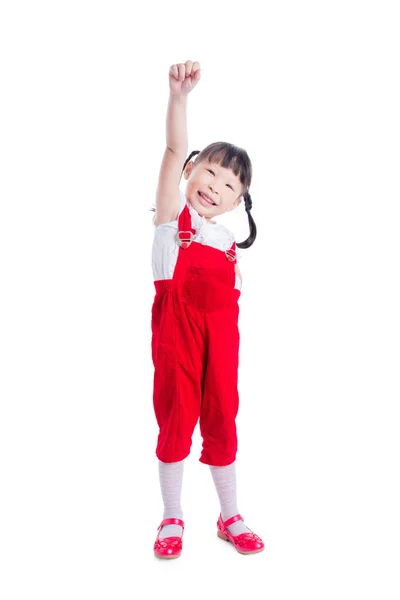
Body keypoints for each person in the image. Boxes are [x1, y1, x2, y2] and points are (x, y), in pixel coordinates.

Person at [150, 60, 264, 559]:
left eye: (229, 185)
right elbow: (174, 148)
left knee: (223, 419)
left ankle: (229, 513)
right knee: (177, 418)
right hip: (178, 338)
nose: (215, 185)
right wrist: (179, 98)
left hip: (222, 345)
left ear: (238, 202)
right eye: (209, 171)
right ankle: (172, 514)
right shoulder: (173, 222)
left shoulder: (227, 245)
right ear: (191, 170)